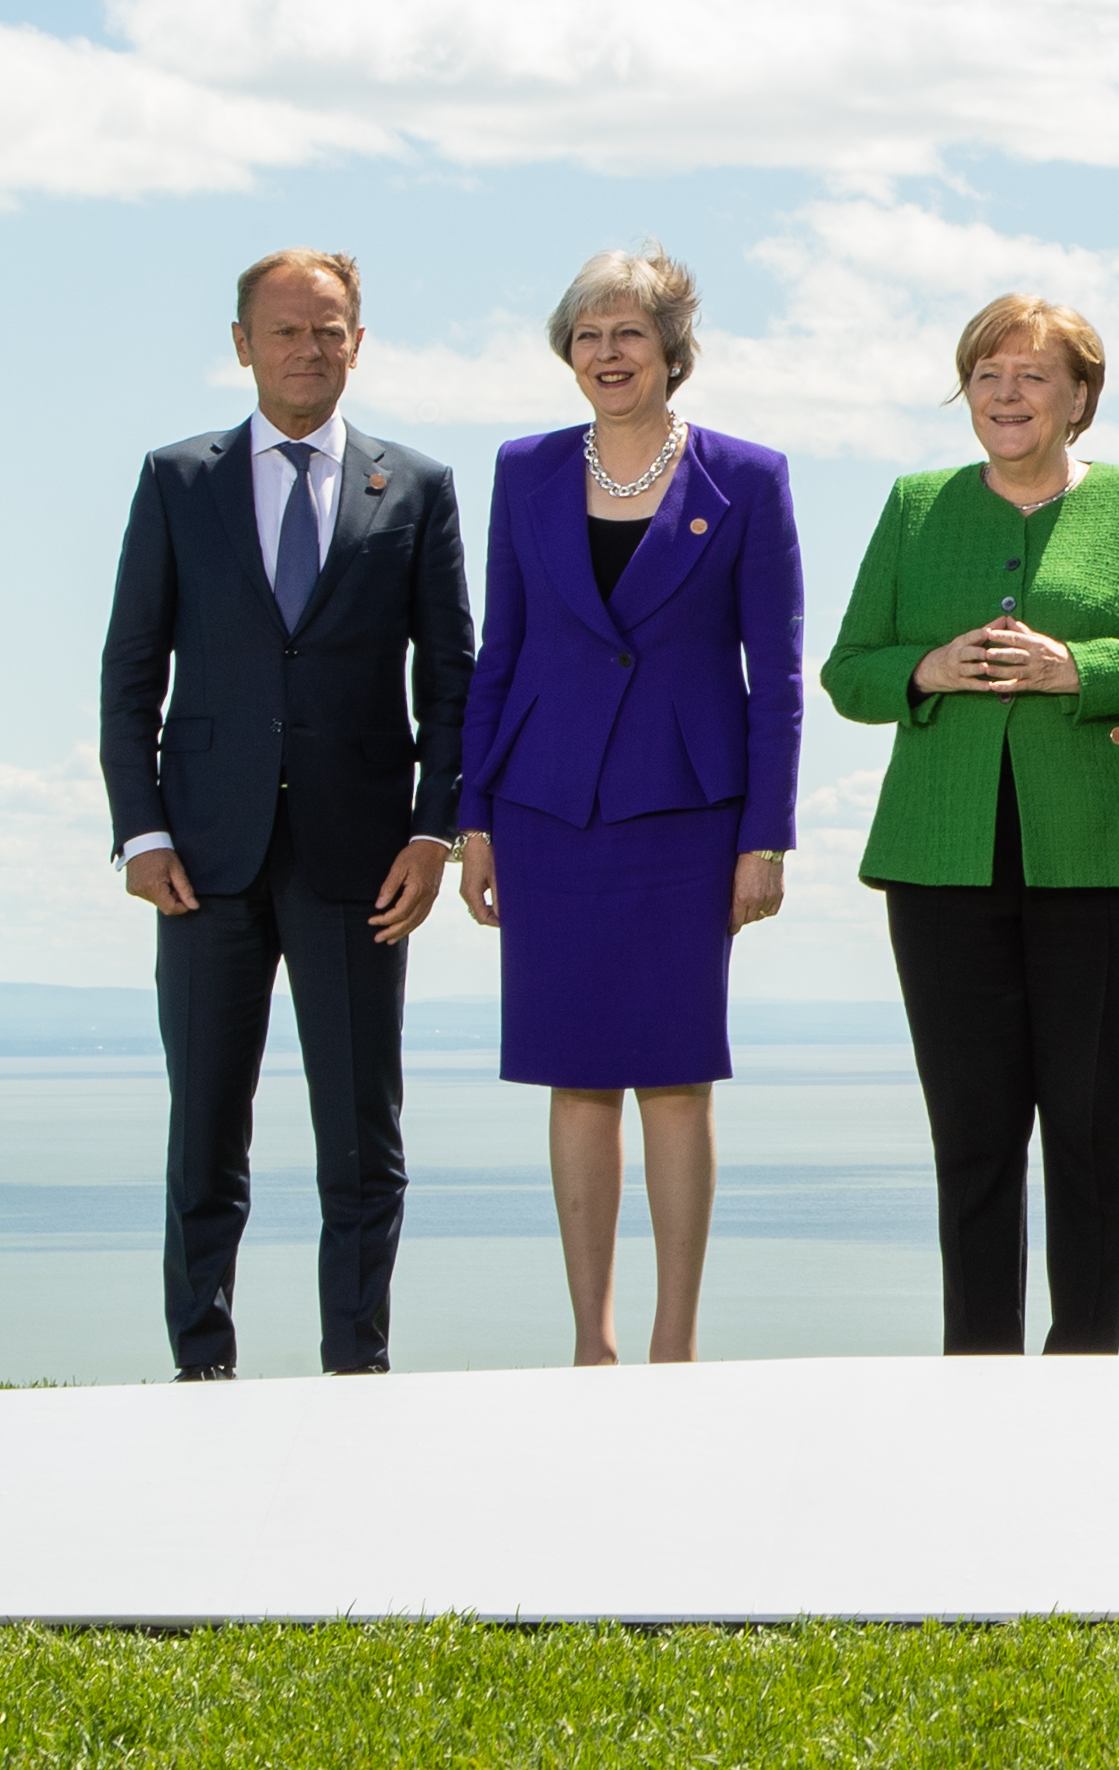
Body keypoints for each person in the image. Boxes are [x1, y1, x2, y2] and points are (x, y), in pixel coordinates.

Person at [98, 247, 472, 1380]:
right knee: (205, 1130)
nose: (308, 349)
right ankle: (200, 1365)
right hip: (201, 861)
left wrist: (433, 832)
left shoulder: (416, 486)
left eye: (328, 330)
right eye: (285, 330)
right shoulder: (178, 479)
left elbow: (451, 681)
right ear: (242, 345)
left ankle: (356, 1367)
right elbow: (130, 670)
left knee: (361, 1138)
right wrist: (142, 831)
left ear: (357, 343)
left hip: (364, 861)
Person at [823, 295, 1119, 1356]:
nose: (1005, 394)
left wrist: (1078, 667)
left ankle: (1084, 1365)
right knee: (973, 1140)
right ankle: (978, 1372)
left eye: (1032, 375)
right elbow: (847, 671)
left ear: (1078, 397)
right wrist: (925, 667)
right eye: (986, 374)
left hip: (1108, 862)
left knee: (1092, 1140)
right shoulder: (915, 505)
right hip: (939, 860)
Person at [453, 247, 805, 1368]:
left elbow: (776, 675)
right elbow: (499, 652)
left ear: (671, 351)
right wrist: (473, 820)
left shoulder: (747, 478)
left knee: (676, 1076)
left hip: (687, 814)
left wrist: (766, 837)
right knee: (574, 1075)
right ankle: (589, 1345)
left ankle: (673, 1345)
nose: (607, 355)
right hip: (545, 811)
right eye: (589, 337)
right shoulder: (524, 470)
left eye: (629, 335)